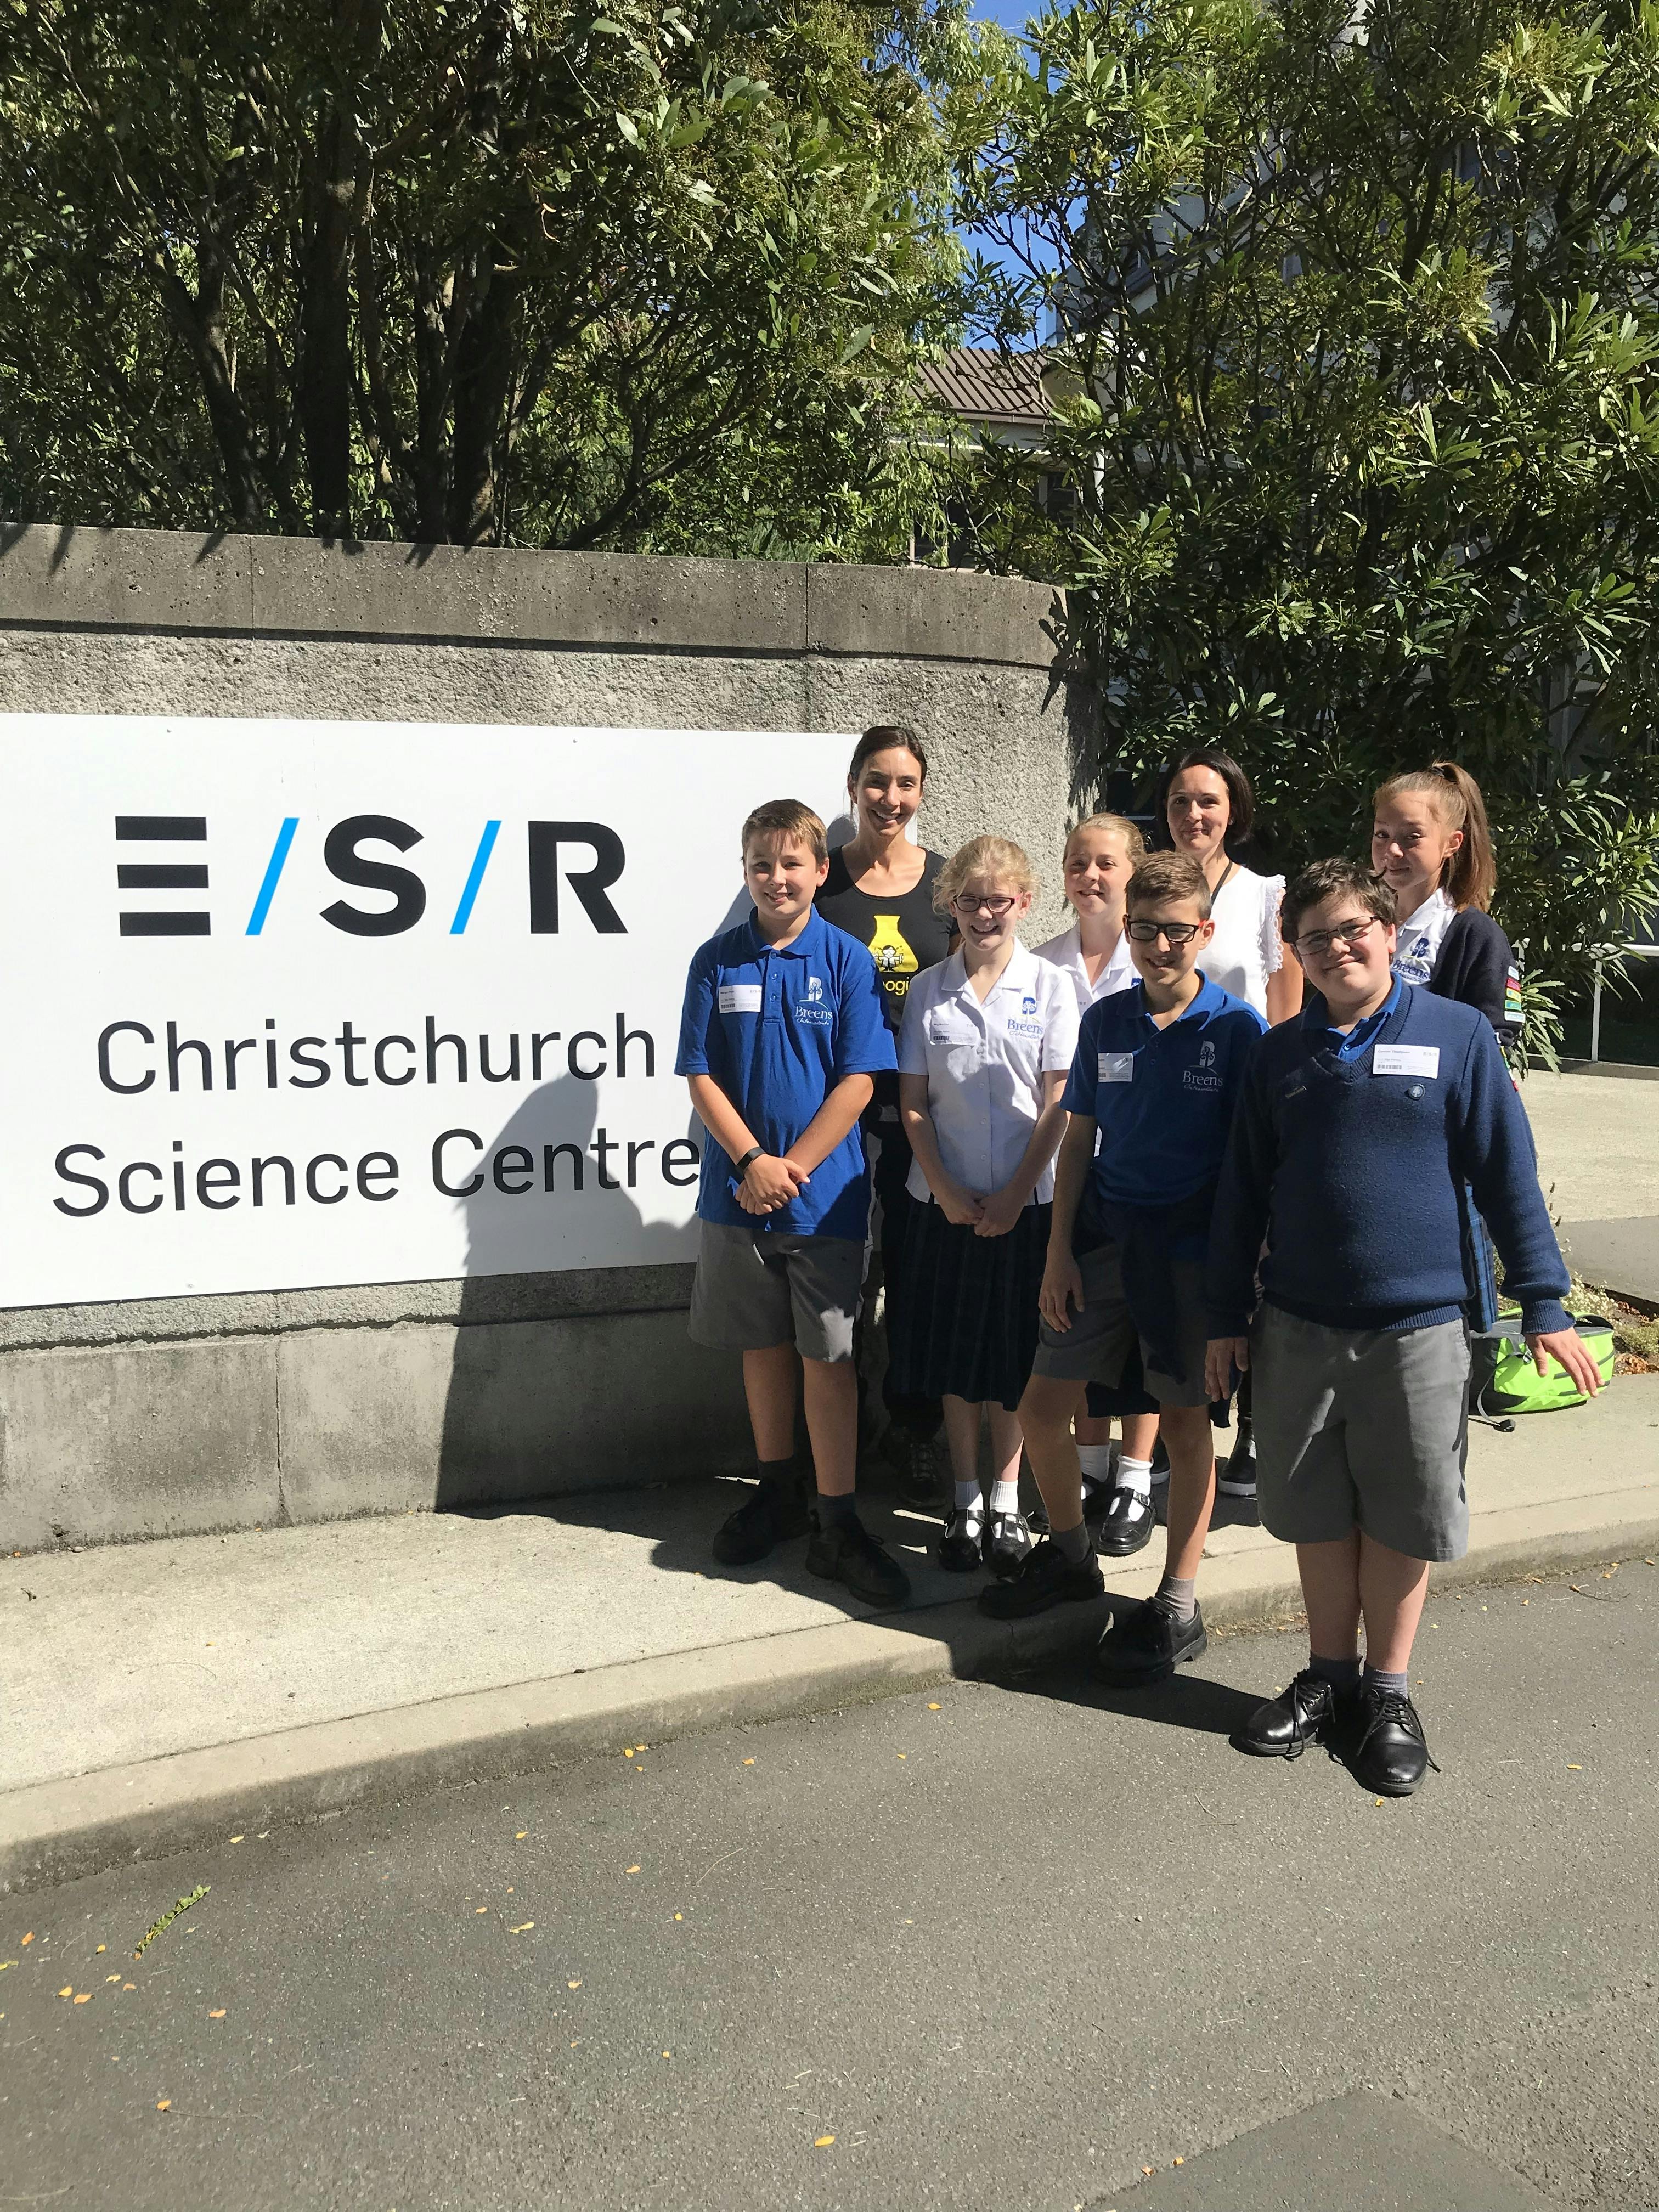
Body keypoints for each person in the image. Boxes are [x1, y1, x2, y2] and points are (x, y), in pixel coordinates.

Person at [1207, 857, 1599, 1795]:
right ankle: (1327, 1677)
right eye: (1314, 939)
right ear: (1294, 954)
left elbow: (1509, 1172)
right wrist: (1225, 1316)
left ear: (1387, 931)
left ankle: (1387, 1691)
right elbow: (1241, 1197)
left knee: (1403, 1514)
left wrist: (1542, 1302)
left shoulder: (1456, 1035)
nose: (1336, 949)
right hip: (1298, 1326)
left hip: (1420, 1327)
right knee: (1315, 1513)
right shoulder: (1280, 1055)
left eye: (1352, 929)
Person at [983, 852, 1268, 1692]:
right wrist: (1058, 1250)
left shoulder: (1238, 1030)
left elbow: (1254, 1167)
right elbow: (1079, 1140)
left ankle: (1178, 1604)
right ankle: (1071, 1558)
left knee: (1184, 1430)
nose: (1159, 946)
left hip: (1190, 1260)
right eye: (1145, 930)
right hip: (1103, 1245)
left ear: (1205, 934)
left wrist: (1238, 1288)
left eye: (1178, 931)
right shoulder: (1106, 1021)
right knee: (1042, 1408)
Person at [677, 799, 910, 1608]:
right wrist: (750, 1160)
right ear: (745, 873)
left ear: (821, 870)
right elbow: (700, 1074)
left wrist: (793, 1168)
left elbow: (859, 1080)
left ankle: (838, 1523)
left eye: (791, 864)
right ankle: (778, 1492)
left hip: (825, 1204)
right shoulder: (716, 961)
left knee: (831, 1357)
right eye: (761, 866)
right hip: (735, 1196)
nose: (776, 879)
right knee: (763, 1346)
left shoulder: (846, 960)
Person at [895, 836, 1077, 1578]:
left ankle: (1006, 1499)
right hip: (942, 1204)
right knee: (952, 1358)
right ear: (951, 906)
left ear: (1024, 903)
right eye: (968, 900)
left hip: (1024, 1204)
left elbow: (1059, 1101)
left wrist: (1010, 1195)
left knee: (1012, 1360)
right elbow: (912, 1105)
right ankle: (963, 1499)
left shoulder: (1053, 986)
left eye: (997, 899)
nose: (982, 914)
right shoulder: (928, 990)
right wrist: (940, 1185)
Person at [815, 726, 954, 1504]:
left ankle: (912, 1425)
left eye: (904, 783)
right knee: (840, 1268)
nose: (890, 799)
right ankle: (834, 1429)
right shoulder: (822, 882)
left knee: (912, 1275)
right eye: (876, 781)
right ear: (853, 785)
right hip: (838, 1108)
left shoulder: (944, 886)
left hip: (921, 1116)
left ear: (922, 791)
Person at [1161, 745, 1302, 1501]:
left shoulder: (1263, 896)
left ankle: (1250, 1431)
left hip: (1245, 1113)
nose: (1194, 815)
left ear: (1233, 811)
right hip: (1169, 1115)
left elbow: (1286, 1006)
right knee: (1179, 1275)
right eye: (1181, 801)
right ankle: (1171, 1424)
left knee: (1250, 1273)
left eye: (1208, 801)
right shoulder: (1153, 889)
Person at [1032, 813, 1164, 1559]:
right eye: (1077, 861)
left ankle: (1137, 1477)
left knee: (1141, 1344)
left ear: (1133, 871)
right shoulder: (1042, 962)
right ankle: (1087, 1470)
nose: (1090, 875)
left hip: (1140, 1181)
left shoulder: (1153, 961)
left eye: (1105, 863)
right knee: (1080, 1336)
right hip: (1067, 1184)